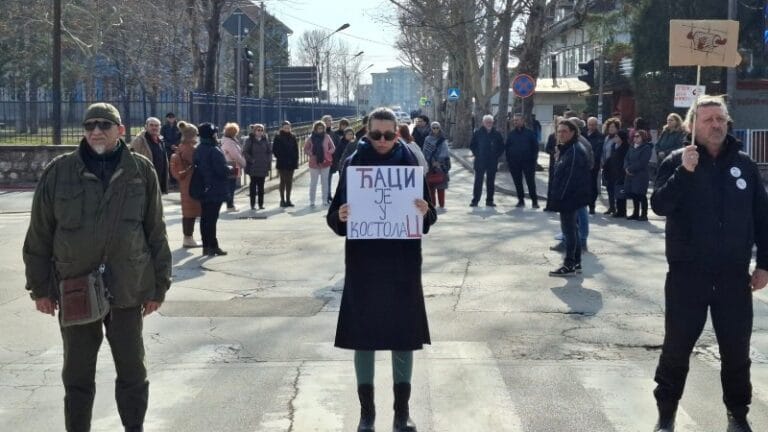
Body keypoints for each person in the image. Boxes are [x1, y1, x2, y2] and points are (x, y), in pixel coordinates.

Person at [22, 102, 172, 432]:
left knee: (133, 373)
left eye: (105, 125)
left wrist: (159, 286)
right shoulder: (60, 172)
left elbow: (155, 233)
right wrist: (41, 289)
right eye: (90, 125)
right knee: (76, 377)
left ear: (121, 131)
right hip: (75, 289)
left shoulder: (140, 171)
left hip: (128, 289)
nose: (96, 131)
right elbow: (39, 235)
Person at [650, 96, 768, 432]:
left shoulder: (744, 164)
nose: (716, 125)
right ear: (691, 126)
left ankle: (737, 414)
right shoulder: (677, 160)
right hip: (688, 276)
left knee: (736, 350)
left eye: (720, 118)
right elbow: (659, 205)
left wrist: (765, 263)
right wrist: (684, 173)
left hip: (733, 277)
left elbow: (762, 216)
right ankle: (667, 412)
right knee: (677, 347)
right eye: (708, 119)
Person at [326, 107, 437, 432]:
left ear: (397, 133)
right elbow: (334, 219)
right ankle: (367, 414)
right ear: (367, 132)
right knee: (364, 338)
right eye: (377, 135)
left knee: (403, 336)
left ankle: (402, 414)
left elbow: (428, 221)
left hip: (402, 266)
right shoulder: (353, 165)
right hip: (364, 266)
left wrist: (425, 210)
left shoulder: (411, 164)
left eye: (389, 134)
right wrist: (341, 217)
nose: (383, 140)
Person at [548, 119, 591, 276]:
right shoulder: (568, 149)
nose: (561, 134)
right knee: (573, 229)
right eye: (559, 131)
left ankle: (569, 264)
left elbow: (569, 178)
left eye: (565, 131)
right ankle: (576, 263)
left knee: (569, 231)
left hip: (570, 197)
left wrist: (559, 199)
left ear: (573, 132)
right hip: (571, 196)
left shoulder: (574, 150)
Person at [194, 123, 231, 256]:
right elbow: (221, 170)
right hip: (215, 188)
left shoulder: (199, 148)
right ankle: (212, 246)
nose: (217, 134)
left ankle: (207, 246)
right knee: (211, 219)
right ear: (212, 134)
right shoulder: (213, 149)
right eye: (215, 133)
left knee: (205, 218)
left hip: (203, 187)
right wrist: (229, 169)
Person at [170, 121, 202, 248]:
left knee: (188, 211)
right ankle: (188, 238)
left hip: (185, 182)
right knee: (190, 212)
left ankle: (188, 237)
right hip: (191, 182)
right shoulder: (189, 148)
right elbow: (197, 163)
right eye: (196, 134)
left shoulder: (182, 146)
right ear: (192, 135)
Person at [468, 114, 504, 207]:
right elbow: (472, 145)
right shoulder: (478, 133)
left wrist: (496, 155)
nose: (489, 123)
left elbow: (501, 147)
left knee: (491, 182)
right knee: (478, 181)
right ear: (483, 123)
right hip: (480, 161)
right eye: (487, 122)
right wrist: (478, 154)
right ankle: (475, 200)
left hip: (492, 161)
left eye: (490, 122)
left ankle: (490, 200)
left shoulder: (497, 133)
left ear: (493, 123)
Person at [505, 114, 540, 208]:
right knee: (518, 182)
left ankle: (534, 201)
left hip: (528, 162)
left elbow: (535, 147)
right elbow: (507, 148)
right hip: (515, 163)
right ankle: (521, 200)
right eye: (514, 120)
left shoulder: (529, 133)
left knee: (530, 182)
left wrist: (534, 159)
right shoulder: (511, 134)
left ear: (523, 121)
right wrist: (509, 161)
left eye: (517, 120)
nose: (515, 122)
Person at [130, 116, 169, 194]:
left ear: (160, 127)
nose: (154, 128)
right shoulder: (139, 140)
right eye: (151, 125)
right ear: (146, 127)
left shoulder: (160, 140)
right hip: (145, 181)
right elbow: (132, 161)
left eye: (156, 125)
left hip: (159, 180)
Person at [304, 120, 335, 207]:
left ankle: (324, 200)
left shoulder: (327, 137)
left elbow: (333, 148)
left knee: (324, 182)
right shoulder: (310, 138)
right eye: (318, 128)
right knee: (313, 182)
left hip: (325, 162)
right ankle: (312, 201)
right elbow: (305, 149)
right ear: (315, 129)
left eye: (322, 128)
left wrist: (328, 153)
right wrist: (311, 154)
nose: (320, 130)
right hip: (314, 163)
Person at [624, 129, 653, 221]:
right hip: (630, 174)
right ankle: (635, 213)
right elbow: (626, 158)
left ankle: (644, 214)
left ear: (643, 137)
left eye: (637, 136)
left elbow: (642, 162)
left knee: (641, 194)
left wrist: (631, 168)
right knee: (634, 194)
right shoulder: (632, 147)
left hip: (640, 175)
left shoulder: (646, 148)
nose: (635, 138)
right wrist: (626, 167)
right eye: (634, 136)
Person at [242, 123, 272, 210]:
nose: (260, 132)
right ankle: (252, 204)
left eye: (262, 130)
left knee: (261, 186)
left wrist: (268, 159)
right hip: (253, 166)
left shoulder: (265, 139)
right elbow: (245, 152)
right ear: (254, 131)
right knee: (253, 186)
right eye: (258, 130)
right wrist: (251, 160)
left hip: (263, 165)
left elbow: (269, 151)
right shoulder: (249, 140)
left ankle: (261, 204)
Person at [423, 121, 451, 209]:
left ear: (440, 128)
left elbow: (445, 152)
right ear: (431, 128)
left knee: (441, 186)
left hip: (440, 166)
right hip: (430, 165)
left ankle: (442, 204)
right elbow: (425, 152)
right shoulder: (427, 139)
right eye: (433, 127)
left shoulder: (442, 139)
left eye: (437, 127)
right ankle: (432, 204)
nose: (435, 129)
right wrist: (432, 162)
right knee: (431, 185)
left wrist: (438, 161)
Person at [220, 122, 246, 212]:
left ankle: (230, 204)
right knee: (231, 186)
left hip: (229, 164)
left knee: (230, 185)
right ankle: (230, 205)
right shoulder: (230, 142)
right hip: (232, 164)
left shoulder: (227, 140)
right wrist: (243, 162)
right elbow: (235, 155)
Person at [273, 121, 299, 207]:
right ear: (282, 128)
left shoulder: (293, 137)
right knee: (283, 181)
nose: (287, 129)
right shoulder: (278, 137)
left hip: (291, 162)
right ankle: (282, 200)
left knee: (289, 181)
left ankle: (288, 200)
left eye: (288, 127)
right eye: (285, 127)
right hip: (282, 162)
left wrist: (295, 161)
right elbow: (275, 150)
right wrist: (281, 157)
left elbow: (296, 150)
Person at [584, 117, 605, 214]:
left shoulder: (600, 137)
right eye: (590, 124)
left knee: (593, 185)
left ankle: (592, 205)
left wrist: (592, 161)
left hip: (593, 165)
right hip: (582, 164)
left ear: (596, 125)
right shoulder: (583, 134)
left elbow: (598, 151)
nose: (591, 127)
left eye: (593, 125)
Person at [323, 115, 340, 203]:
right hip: (323, 159)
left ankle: (328, 195)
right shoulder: (321, 133)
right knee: (325, 178)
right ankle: (326, 195)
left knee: (329, 177)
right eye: (326, 121)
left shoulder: (334, 134)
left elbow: (337, 145)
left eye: (330, 121)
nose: (328, 123)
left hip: (332, 158)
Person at [161, 113, 181, 188]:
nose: (171, 119)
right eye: (169, 117)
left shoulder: (179, 127)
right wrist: (170, 145)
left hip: (177, 148)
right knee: (169, 164)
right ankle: (172, 180)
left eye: (172, 117)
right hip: (168, 149)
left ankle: (177, 179)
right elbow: (162, 138)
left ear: (175, 118)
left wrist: (176, 145)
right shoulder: (164, 128)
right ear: (167, 118)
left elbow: (181, 137)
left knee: (178, 163)